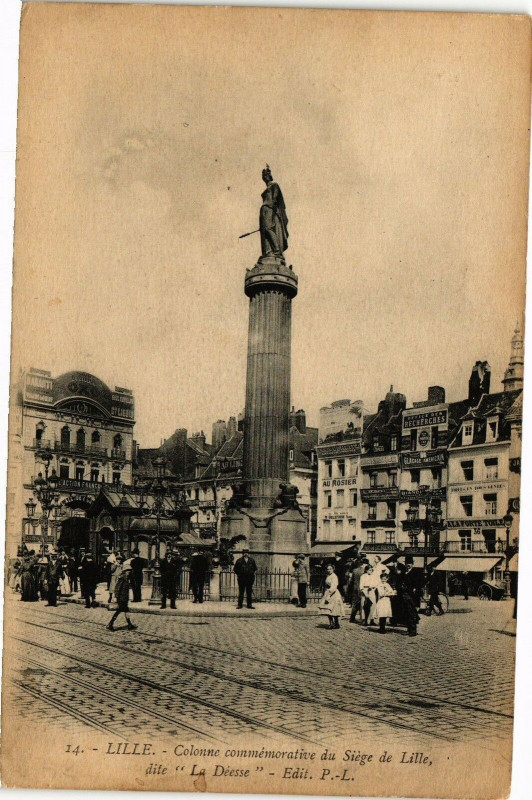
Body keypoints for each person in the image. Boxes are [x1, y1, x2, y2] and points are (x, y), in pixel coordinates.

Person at [106, 560, 137, 631]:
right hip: (121, 598)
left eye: (129, 571)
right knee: (119, 611)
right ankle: (110, 624)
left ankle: (129, 624)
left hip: (124, 597)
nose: (129, 572)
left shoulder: (127, 578)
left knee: (126, 610)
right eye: (127, 571)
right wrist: (116, 597)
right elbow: (117, 588)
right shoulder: (122, 578)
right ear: (124, 571)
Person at [396, 561, 420, 637]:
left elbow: (421, 582)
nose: (408, 565)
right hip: (403, 595)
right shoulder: (403, 573)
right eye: (407, 564)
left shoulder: (416, 572)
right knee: (406, 612)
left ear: (412, 564)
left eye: (409, 564)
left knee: (411, 612)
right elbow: (399, 582)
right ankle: (409, 629)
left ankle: (413, 630)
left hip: (412, 596)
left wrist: (415, 588)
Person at [318, 564, 344, 629]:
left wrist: (329, 595)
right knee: (328, 609)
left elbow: (334, 587)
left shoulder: (334, 576)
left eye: (330, 569)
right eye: (327, 569)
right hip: (328, 592)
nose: (329, 570)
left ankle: (336, 623)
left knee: (334, 609)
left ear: (333, 569)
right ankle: (331, 623)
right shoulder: (328, 576)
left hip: (333, 593)